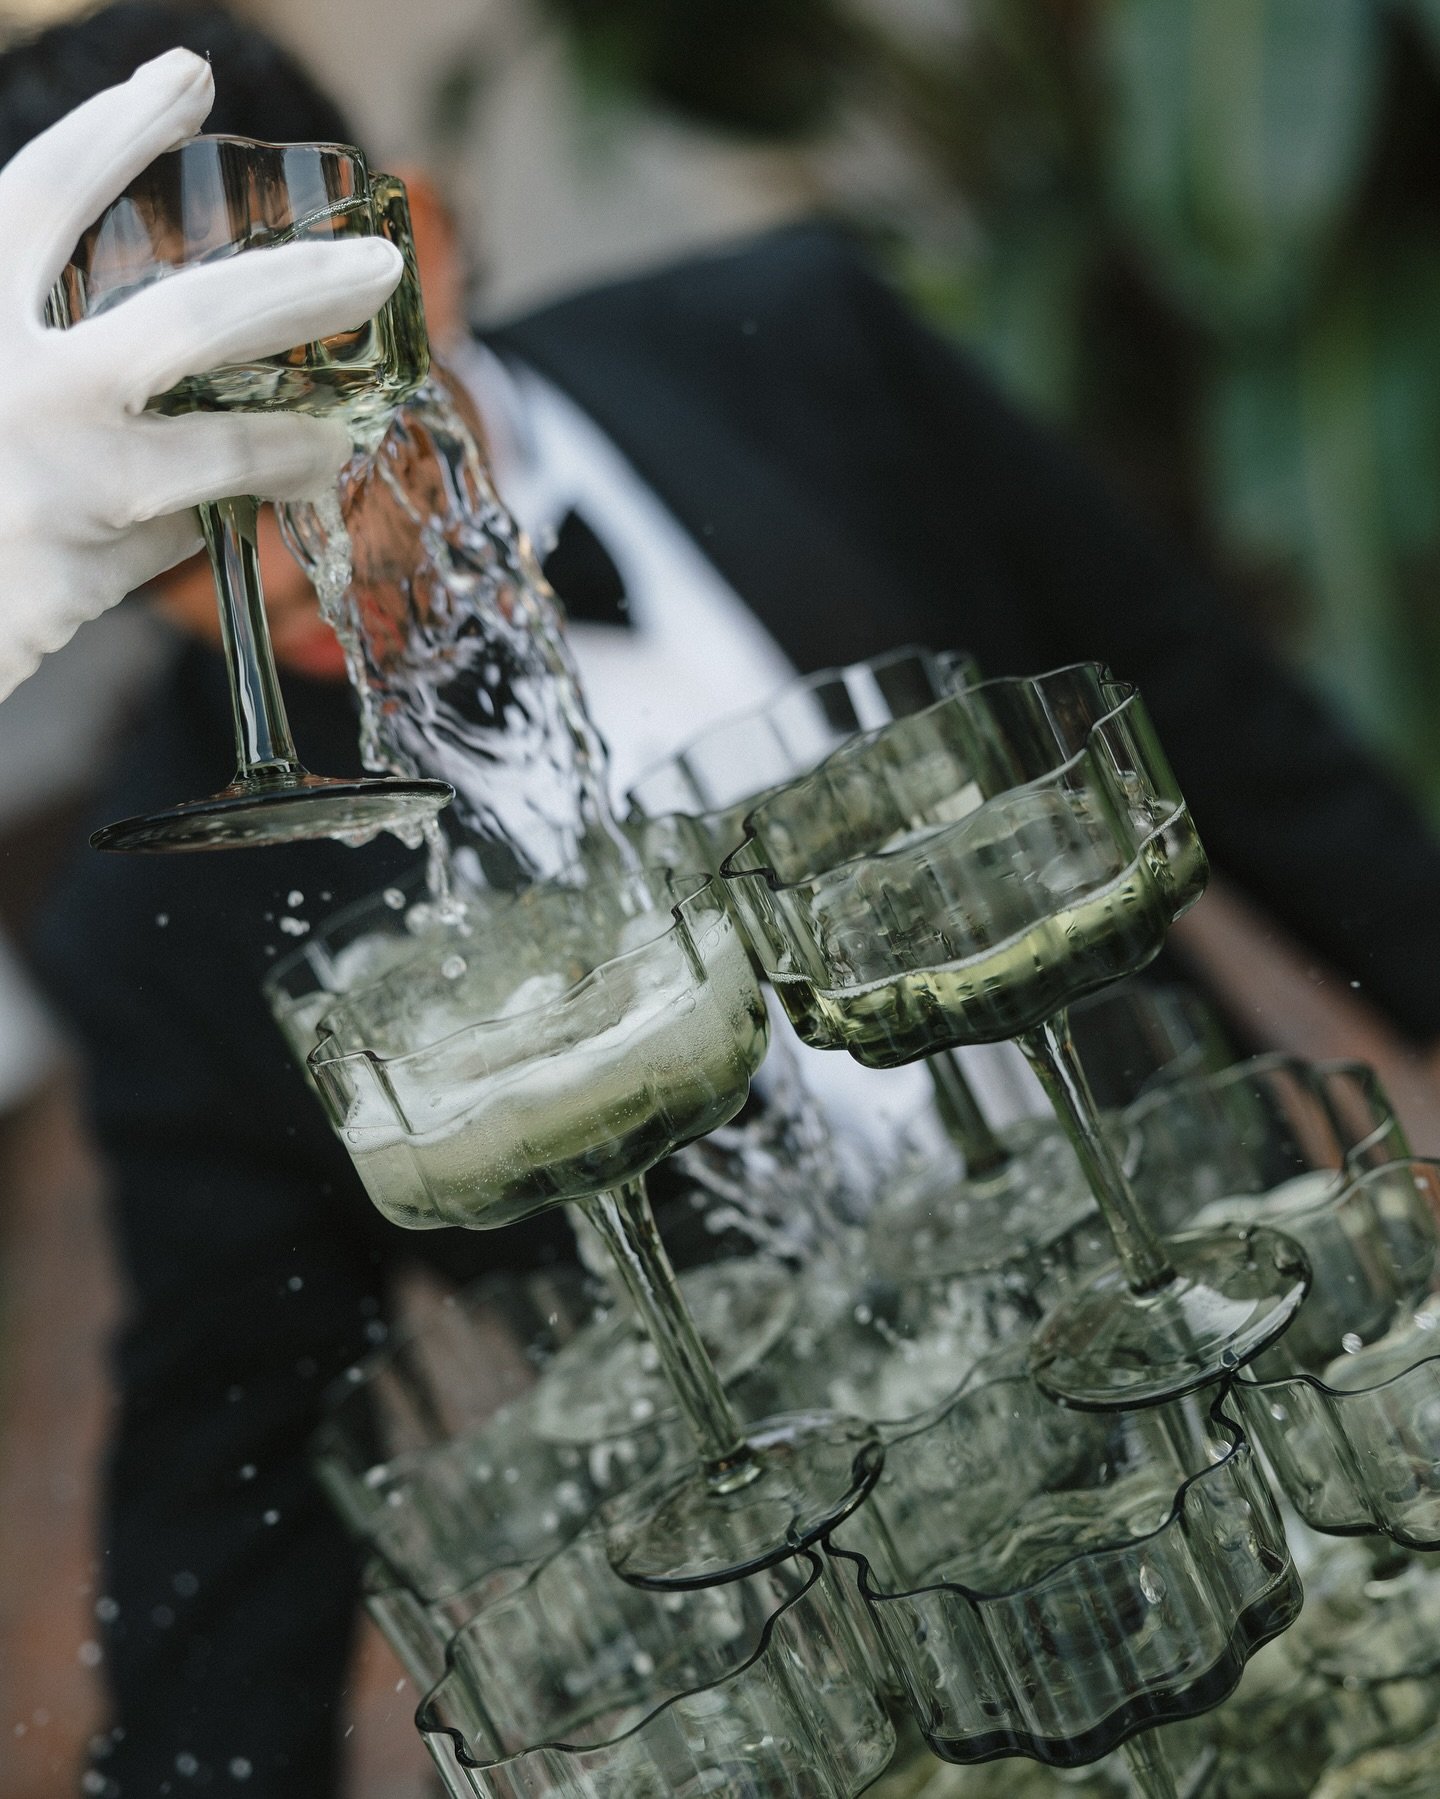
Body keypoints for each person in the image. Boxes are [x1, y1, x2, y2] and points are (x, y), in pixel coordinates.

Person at [13, 4, 1440, 1792]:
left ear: (424, 247)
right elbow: (224, 1443)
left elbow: (1219, 714)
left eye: (269, 359)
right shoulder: (149, 920)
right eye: (151, 447)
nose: (243, 505)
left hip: (1233, 1330)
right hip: (886, 1610)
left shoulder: (807, 342)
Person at [0, 45, 404, 704]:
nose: (282, 580)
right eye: (156, 487)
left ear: (423, 244)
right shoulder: (147, 790)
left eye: (294, 381)